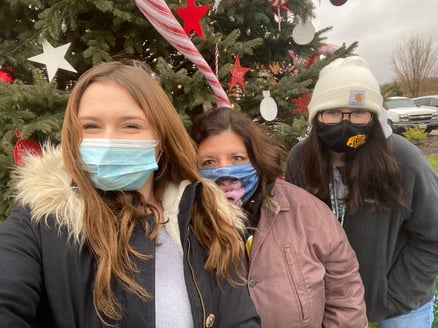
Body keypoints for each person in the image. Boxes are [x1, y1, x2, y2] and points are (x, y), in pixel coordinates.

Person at [0, 60, 261, 327]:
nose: (109, 140)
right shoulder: (40, 223)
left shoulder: (206, 220)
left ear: (160, 137)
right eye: (91, 126)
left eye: (131, 126)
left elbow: (240, 317)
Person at [285, 55, 438, 327]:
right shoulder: (300, 160)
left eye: (357, 113)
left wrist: (394, 296)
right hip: (330, 301)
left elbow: (432, 235)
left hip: (400, 307)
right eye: (333, 112)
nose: (346, 123)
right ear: (316, 116)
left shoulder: (404, 161)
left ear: (374, 118)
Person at [191, 107, 368, 327]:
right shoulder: (187, 223)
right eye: (209, 162)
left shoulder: (307, 212)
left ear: (256, 158)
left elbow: (345, 292)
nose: (225, 172)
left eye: (237, 158)